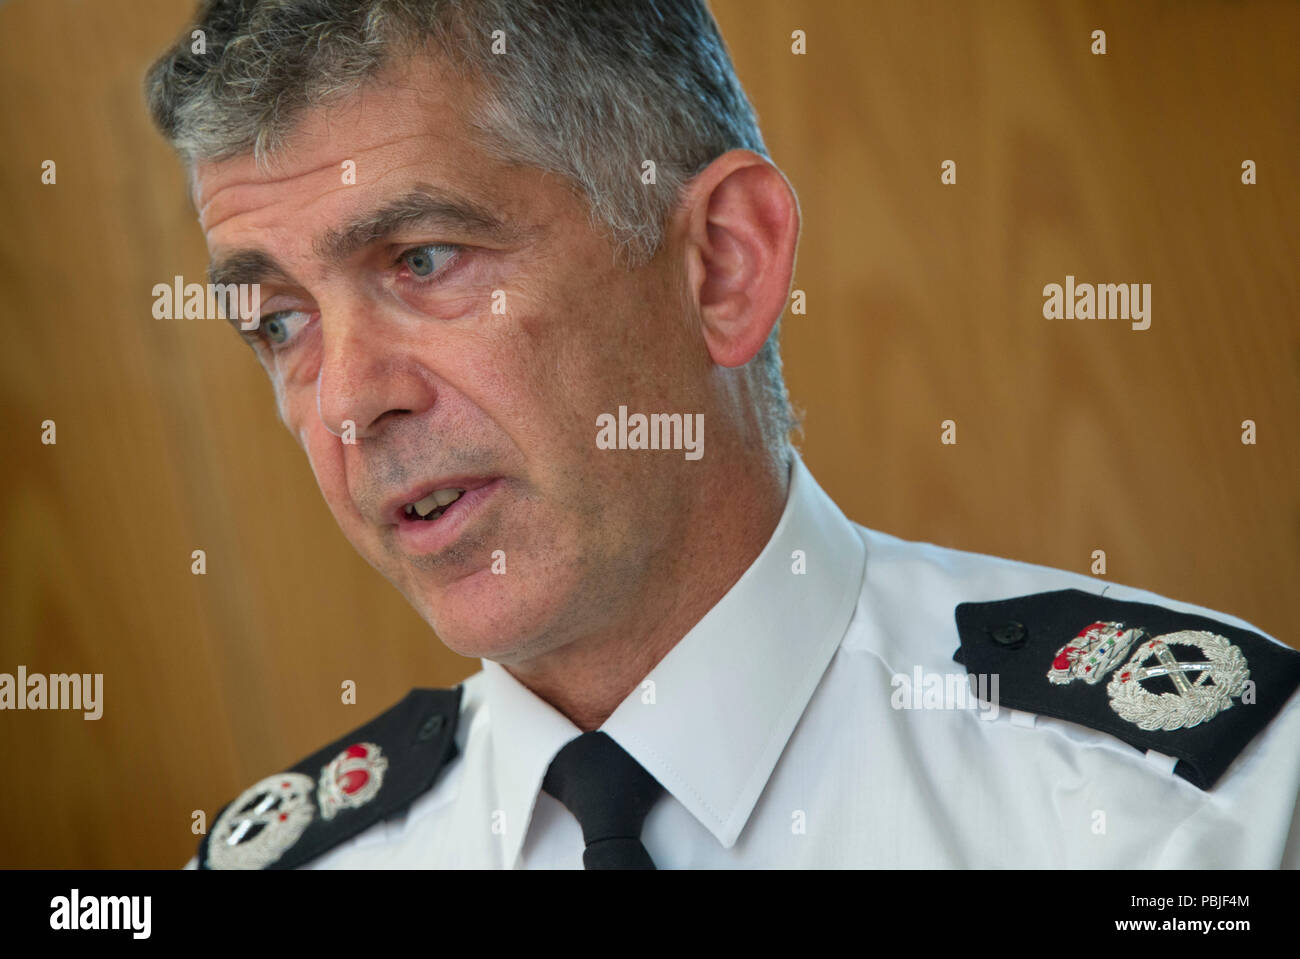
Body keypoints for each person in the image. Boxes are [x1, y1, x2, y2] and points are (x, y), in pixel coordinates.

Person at [146, 0, 1300, 869]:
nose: (347, 401)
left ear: (723, 262)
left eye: (425, 260)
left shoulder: (1191, 814)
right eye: (277, 321)